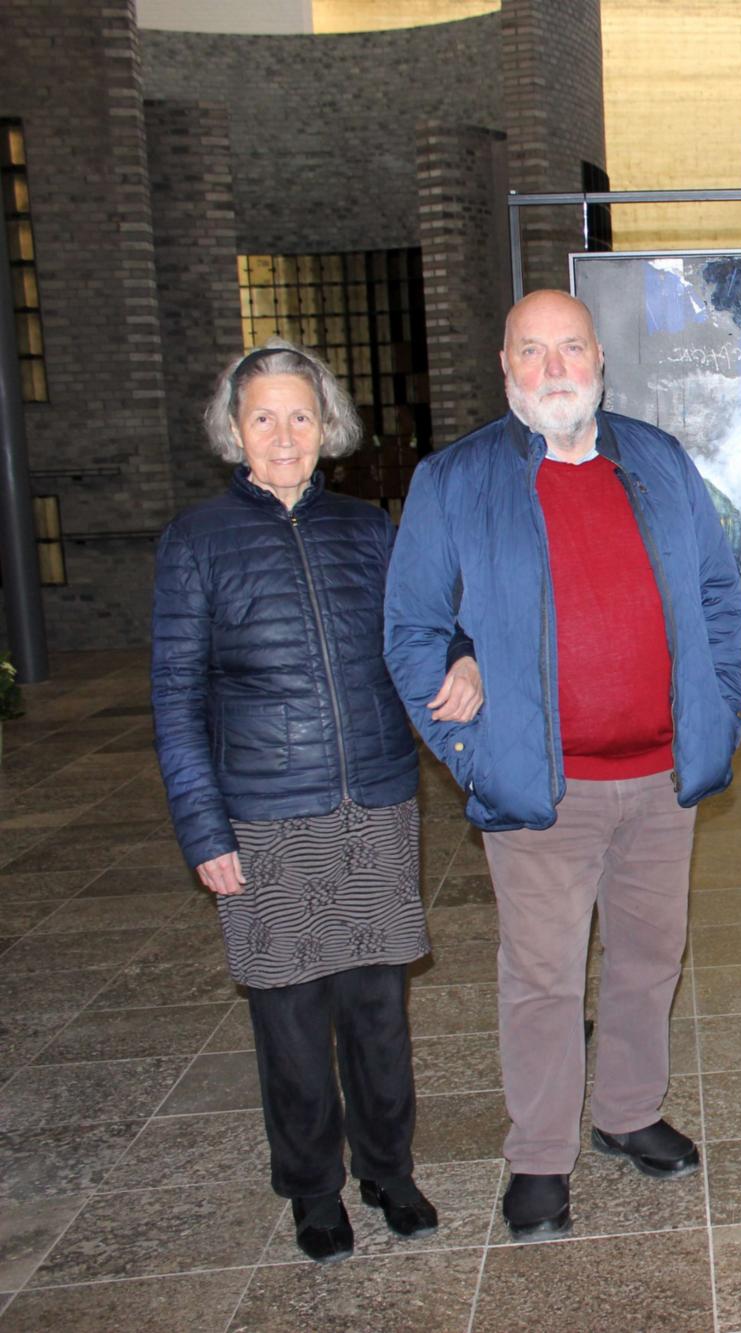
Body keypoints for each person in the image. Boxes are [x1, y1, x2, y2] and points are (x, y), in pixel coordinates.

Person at [383, 290, 741, 1235]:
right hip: (544, 787)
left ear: (600, 360)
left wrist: (722, 710)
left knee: (648, 959)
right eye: (533, 352)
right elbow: (413, 631)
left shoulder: (658, 459)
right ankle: (539, 1156)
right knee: (543, 978)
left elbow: (715, 596)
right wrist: (476, 753)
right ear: (506, 367)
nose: (555, 369)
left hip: (664, 780)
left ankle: (627, 1112)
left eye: (571, 348)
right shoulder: (454, 479)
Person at [152, 341, 482, 1263]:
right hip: (264, 815)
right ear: (235, 430)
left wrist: (460, 651)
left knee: (378, 1007)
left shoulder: (367, 530)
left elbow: (424, 620)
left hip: (372, 802)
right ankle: (311, 1186)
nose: (285, 434)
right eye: (264, 417)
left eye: (302, 415)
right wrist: (203, 829)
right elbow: (175, 702)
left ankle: (388, 1167)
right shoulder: (195, 542)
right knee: (291, 1015)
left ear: (326, 425)